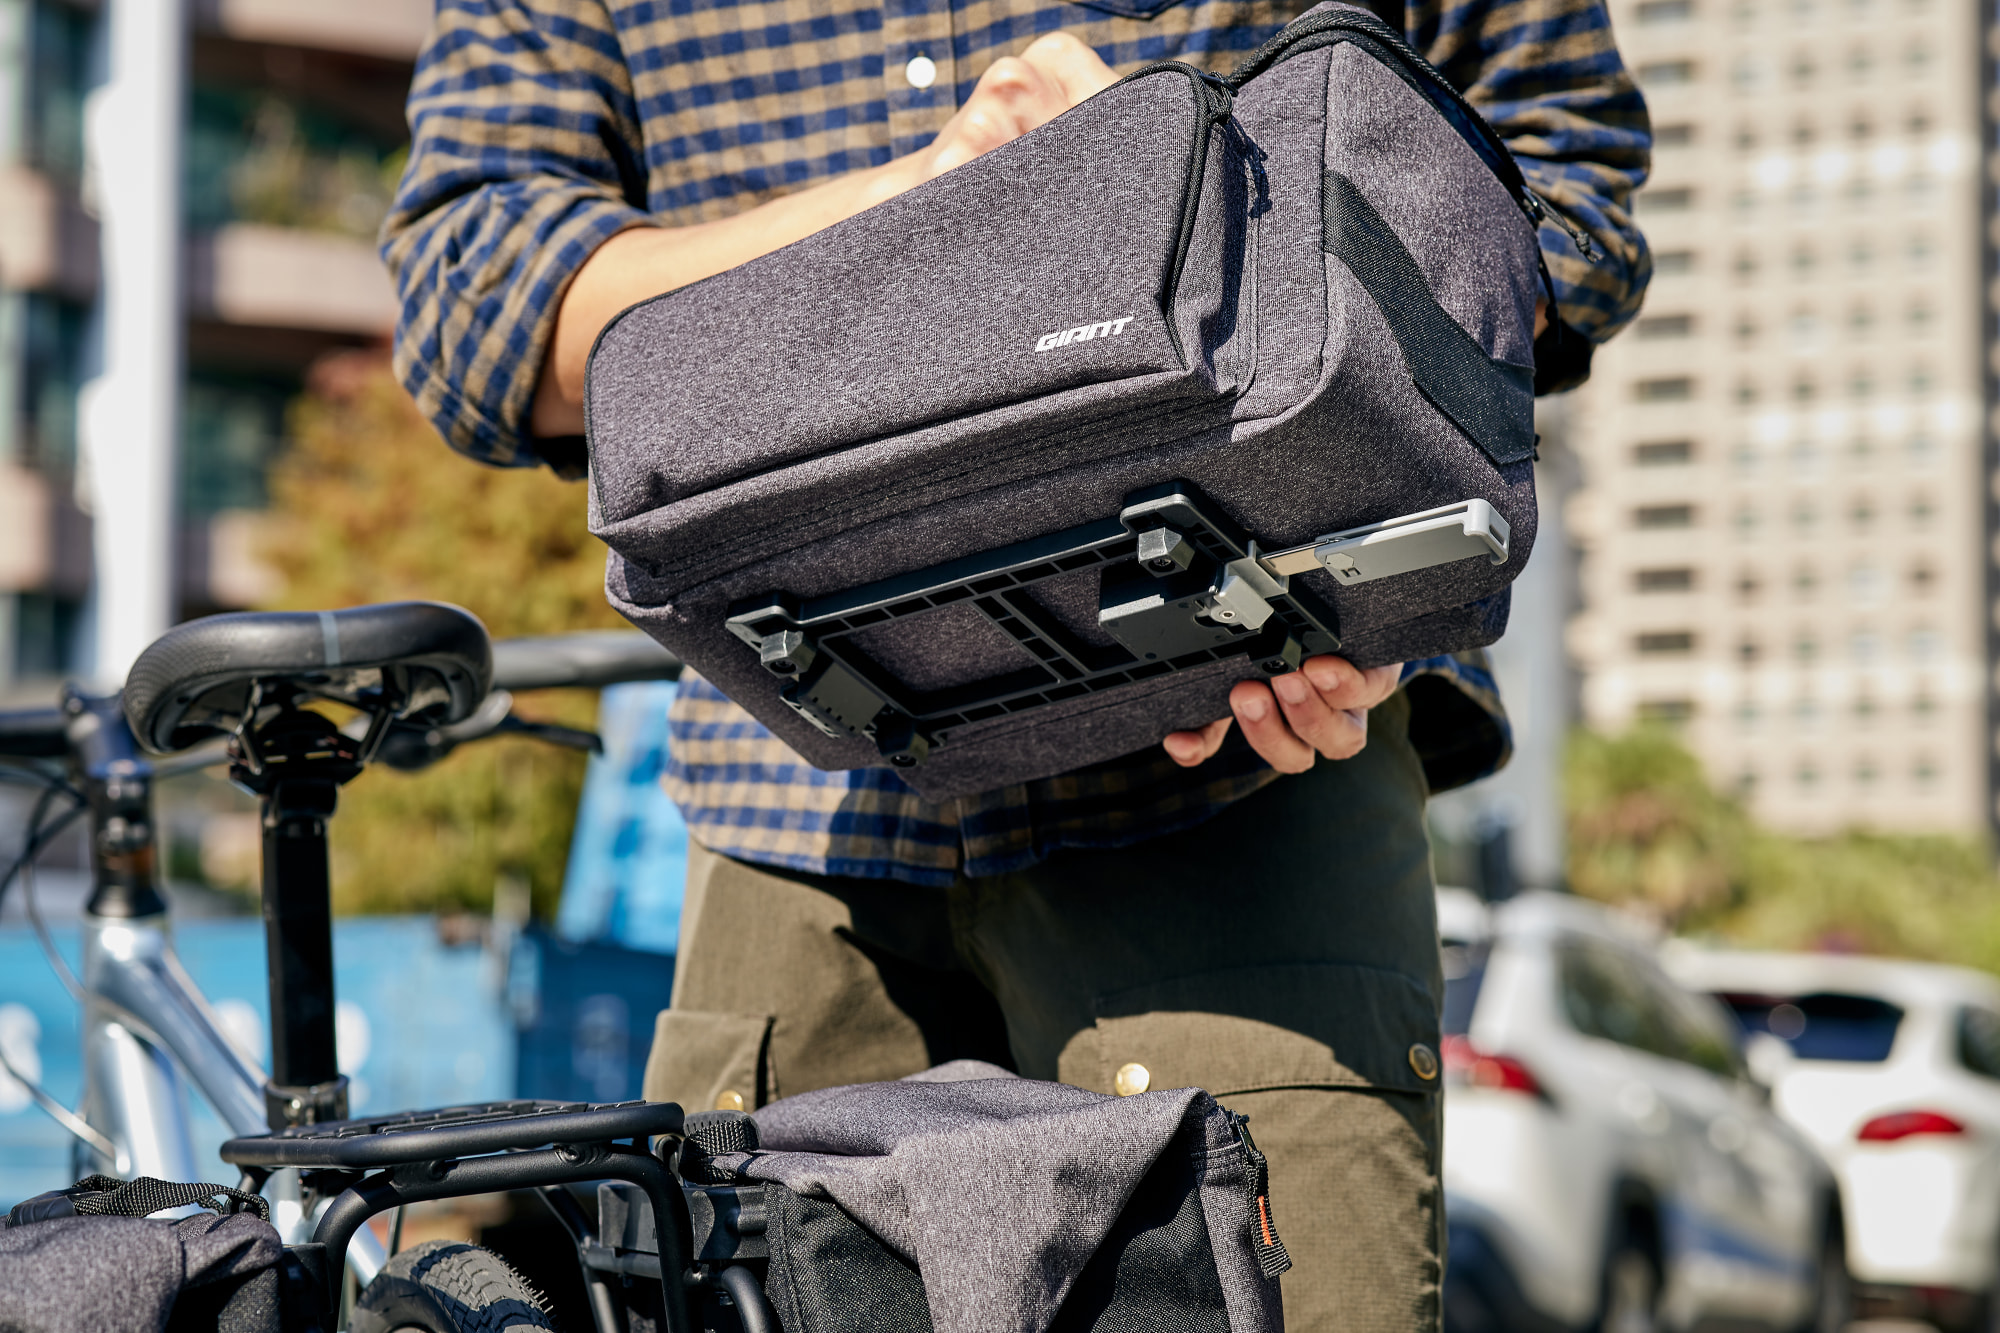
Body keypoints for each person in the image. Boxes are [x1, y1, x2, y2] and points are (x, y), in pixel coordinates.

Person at [383, 1, 1649, 1325]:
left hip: (1245, 801)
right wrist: (928, 204)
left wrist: (1370, 510)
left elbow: (1561, 178)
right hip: (792, 817)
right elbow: (476, 304)